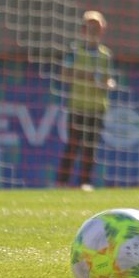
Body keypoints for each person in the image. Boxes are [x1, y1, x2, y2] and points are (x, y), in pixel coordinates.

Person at [56, 10, 118, 188]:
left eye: (96, 26)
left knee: (91, 147)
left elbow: (108, 79)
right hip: (77, 106)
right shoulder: (74, 51)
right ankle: (62, 182)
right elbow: (65, 75)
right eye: (89, 26)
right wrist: (87, 77)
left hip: (97, 107)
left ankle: (85, 182)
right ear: (83, 29)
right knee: (73, 145)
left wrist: (108, 84)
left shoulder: (105, 54)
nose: (93, 30)